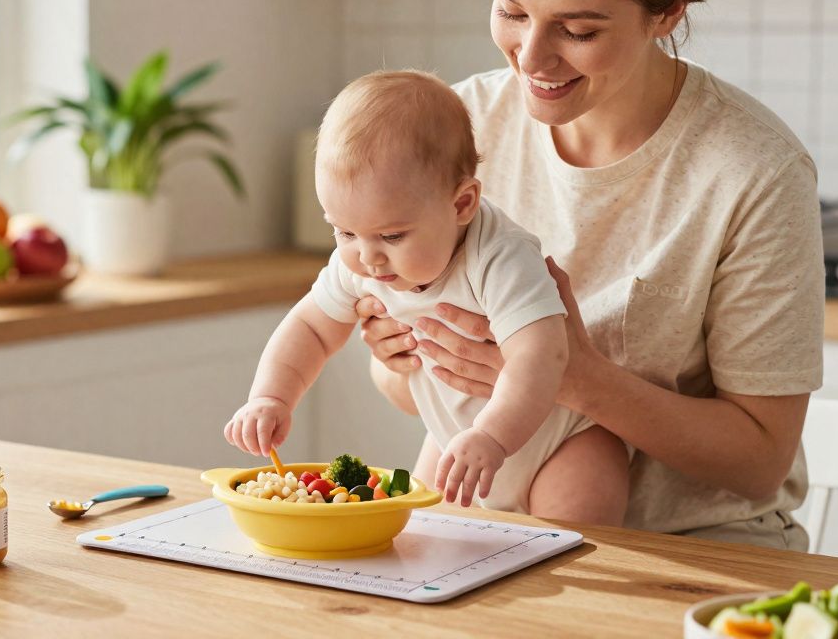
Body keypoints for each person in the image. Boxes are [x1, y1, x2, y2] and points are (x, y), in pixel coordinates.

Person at [357, 0, 823, 548]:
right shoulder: (456, 128)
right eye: (512, 12)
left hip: (701, 547)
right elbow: (422, 386)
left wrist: (577, 378)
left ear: (666, 13)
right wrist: (401, 359)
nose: (533, 58)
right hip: (493, 531)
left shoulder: (753, 171)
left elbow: (759, 462)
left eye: (578, 30)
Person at [223, 70, 629, 525]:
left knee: (568, 547)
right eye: (344, 231)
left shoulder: (500, 258)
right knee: (425, 539)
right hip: (454, 439)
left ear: (461, 205)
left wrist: (492, 437)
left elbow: (542, 358)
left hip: (562, 443)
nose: (368, 258)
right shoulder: (363, 259)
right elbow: (311, 328)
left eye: (392, 235)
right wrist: (271, 397)